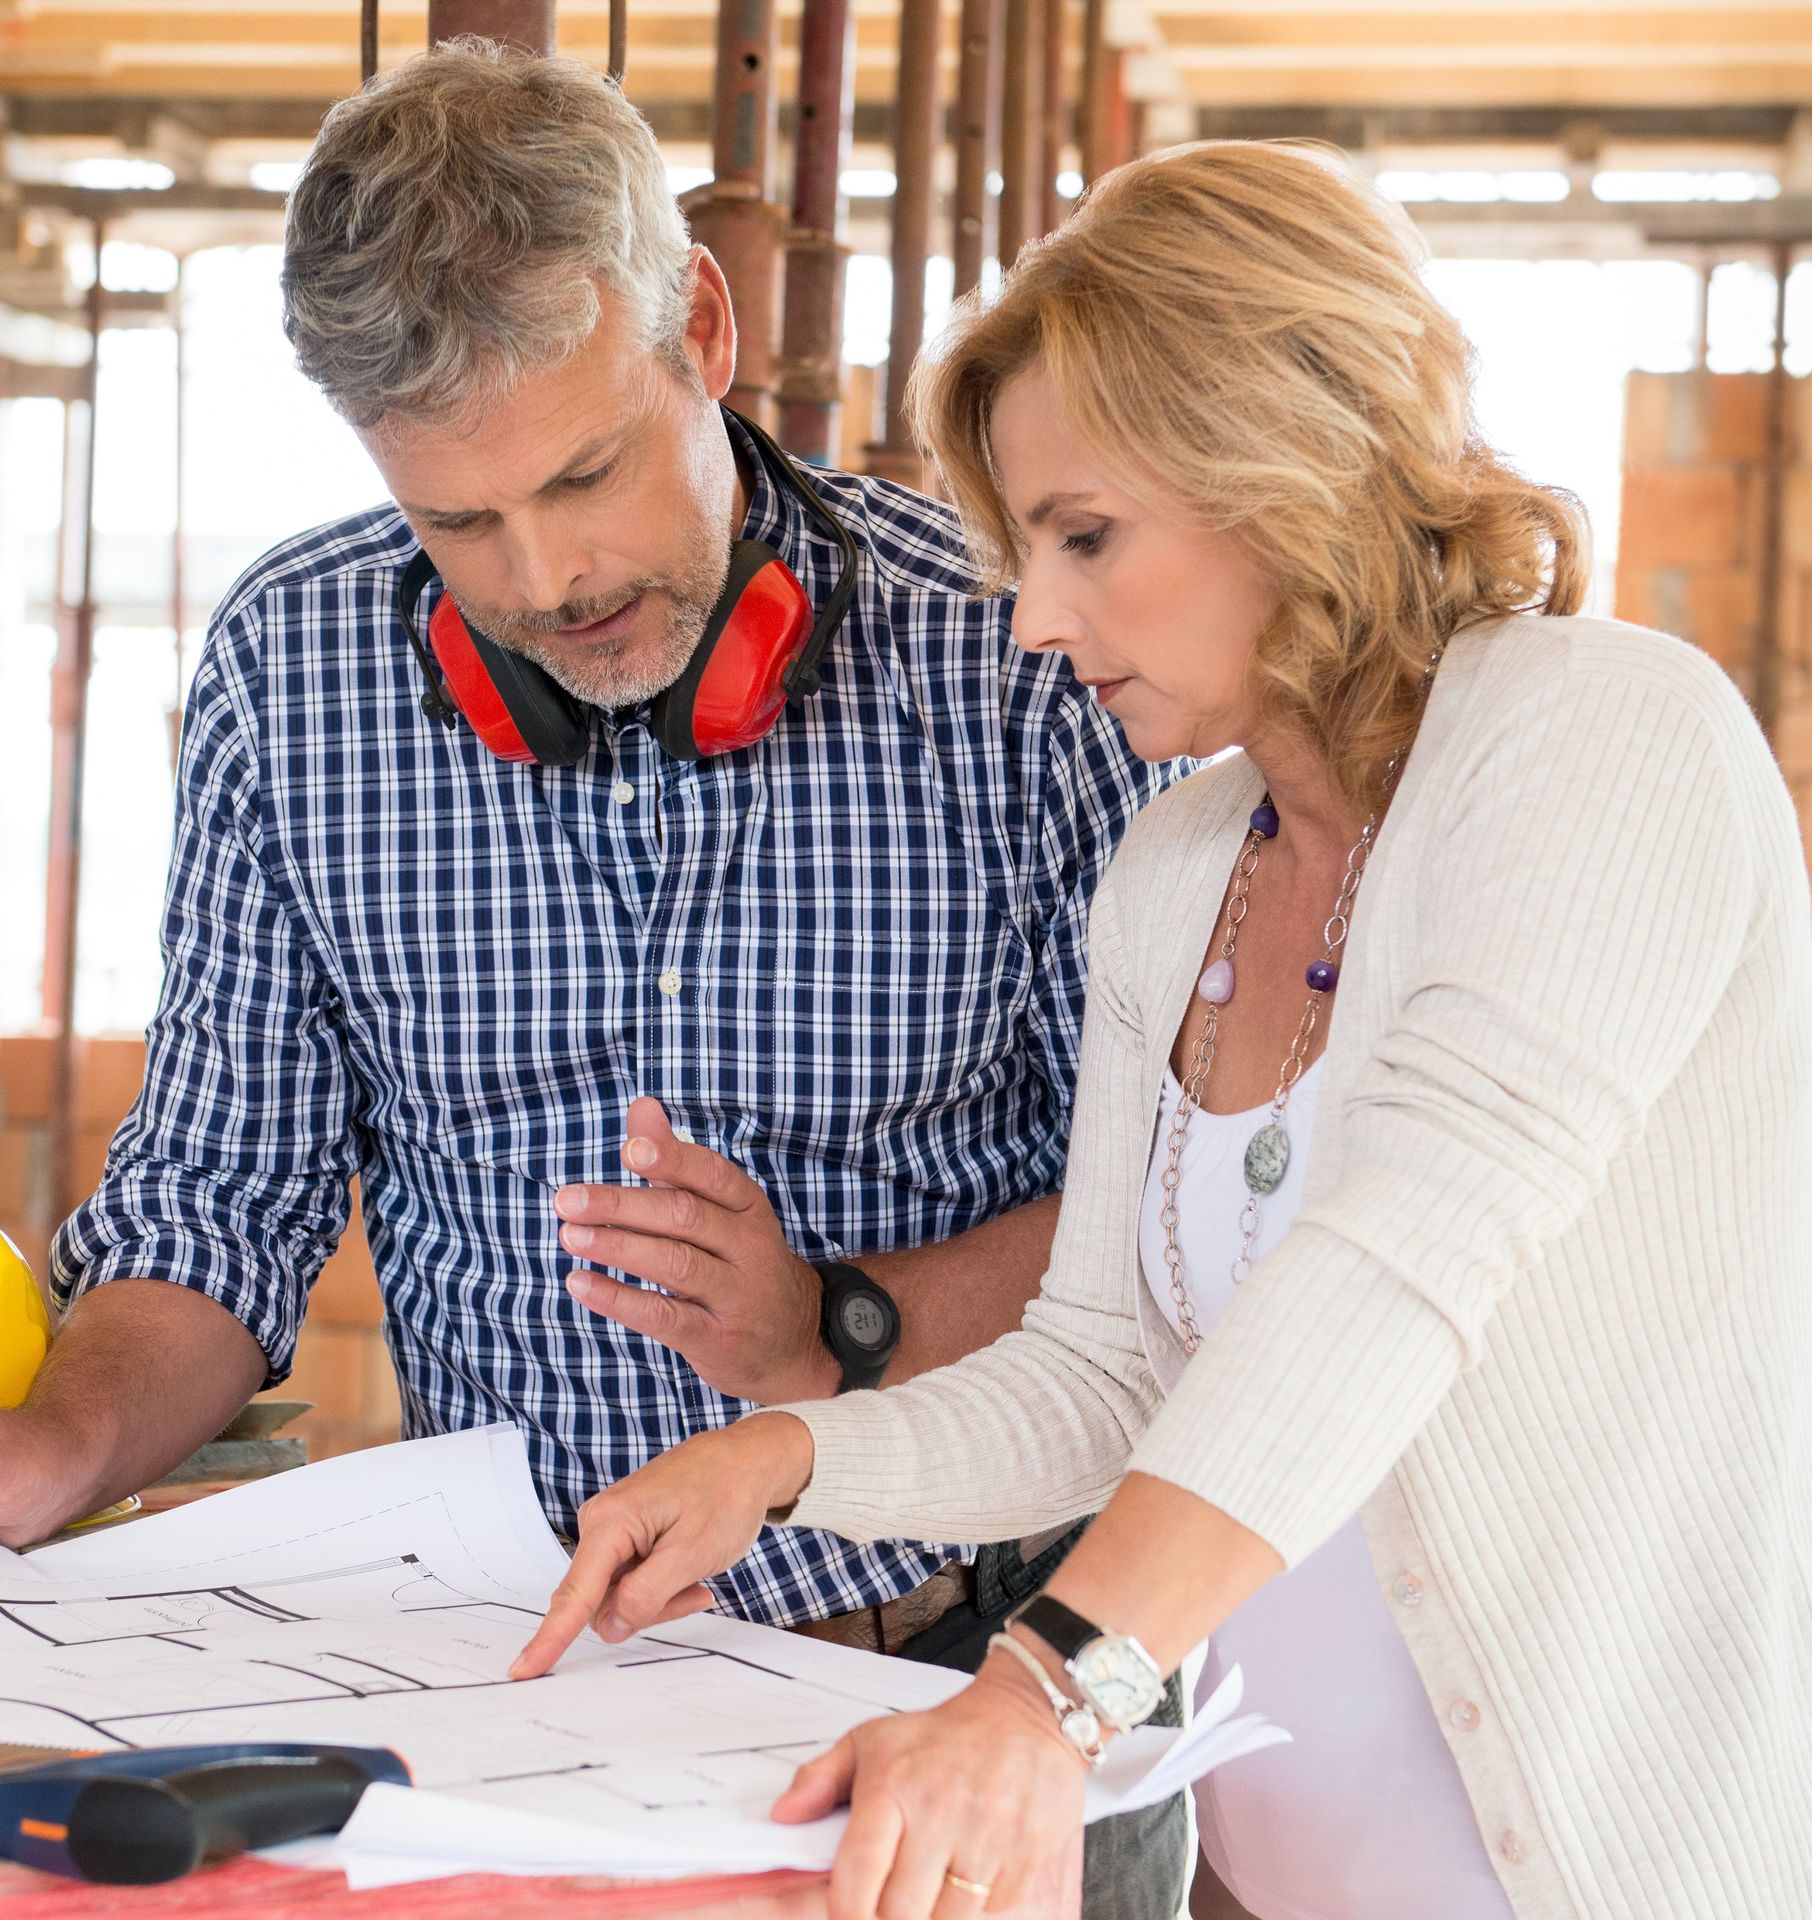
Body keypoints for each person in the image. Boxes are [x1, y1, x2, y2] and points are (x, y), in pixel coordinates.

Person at [514, 139, 1812, 1920]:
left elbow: (1390, 1275)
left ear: (1284, 463)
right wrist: (784, 1464)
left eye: (1087, 537)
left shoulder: (1602, 739)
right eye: (1026, 550)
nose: (1036, 621)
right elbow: (1106, 1370)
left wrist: (1043, 1692)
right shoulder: (1180, 870)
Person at [13, 44, 1189, 1919]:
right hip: (506, 1710)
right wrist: (46, 1456)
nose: (548, 576)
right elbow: (220, 1202)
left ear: (701, 329)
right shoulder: (291, 674)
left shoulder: (1018, 656)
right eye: (458, 524)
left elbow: (1173, 1212)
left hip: (960, 1684)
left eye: (584, 473)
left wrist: (841, 1321)